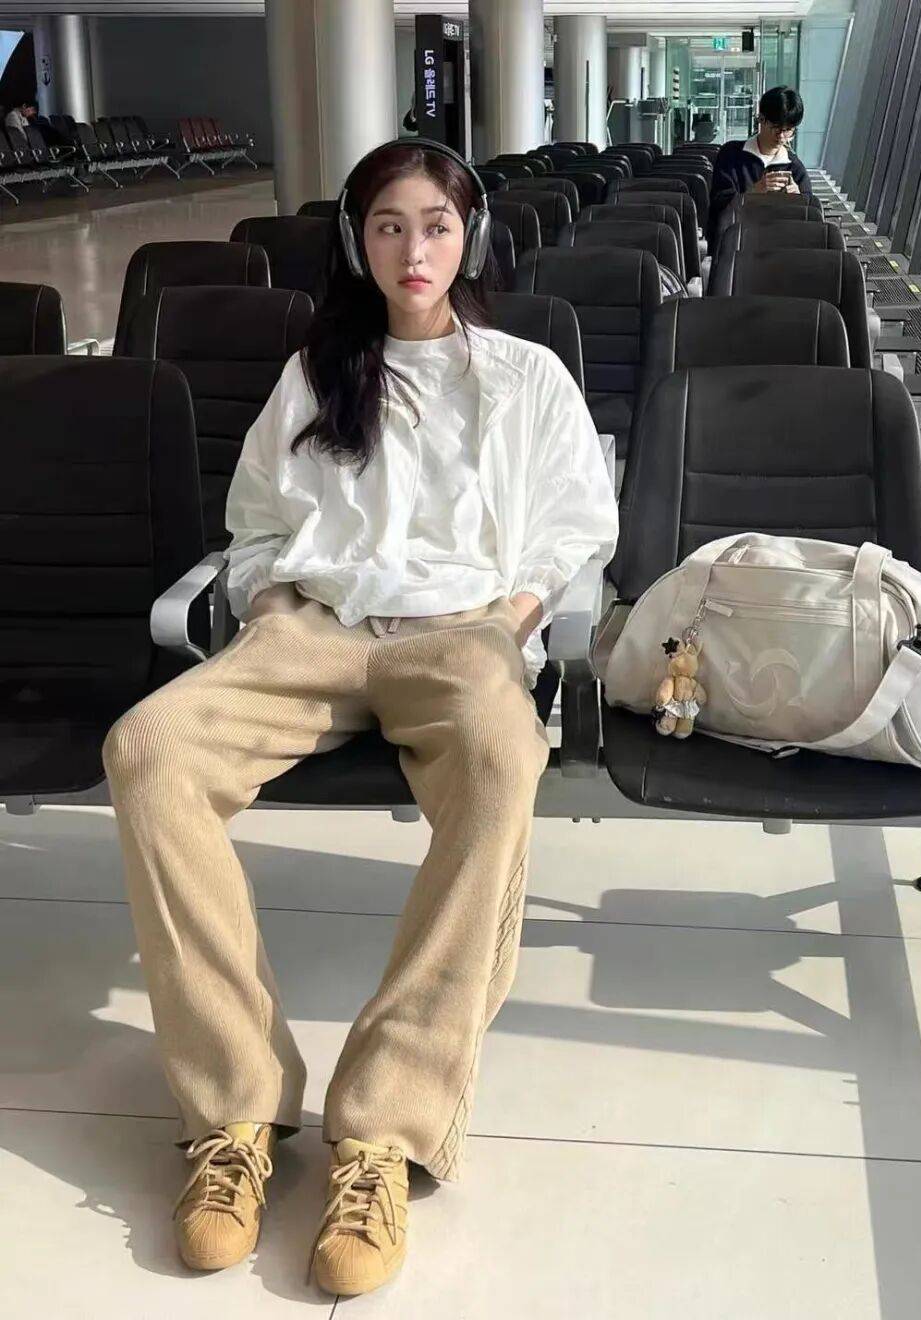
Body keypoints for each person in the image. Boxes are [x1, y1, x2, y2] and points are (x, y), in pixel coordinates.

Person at [102, 138, 619, 1297]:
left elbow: (578, 524)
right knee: (149, 749)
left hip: (463, 634)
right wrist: (273, 602)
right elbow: (256, 516)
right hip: (315, 628)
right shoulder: (320, 370)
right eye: (389, 226)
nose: (413, 249)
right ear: (358, 241)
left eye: (436, 224)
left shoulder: (525, 376)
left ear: (471, 236)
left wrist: (513, 618)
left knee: (503, 759)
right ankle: (236, 1110)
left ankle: (384, 1128)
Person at [707, 86, 813, 234]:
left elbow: (811, 218)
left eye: (788, 130)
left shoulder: (794, 168)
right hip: (737, 242)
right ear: (761, 119)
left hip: (780, 242)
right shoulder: (731, 155)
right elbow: (717, 207)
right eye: (776, 127)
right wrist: (752, 193)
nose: (781, 136)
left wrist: (798, 200)